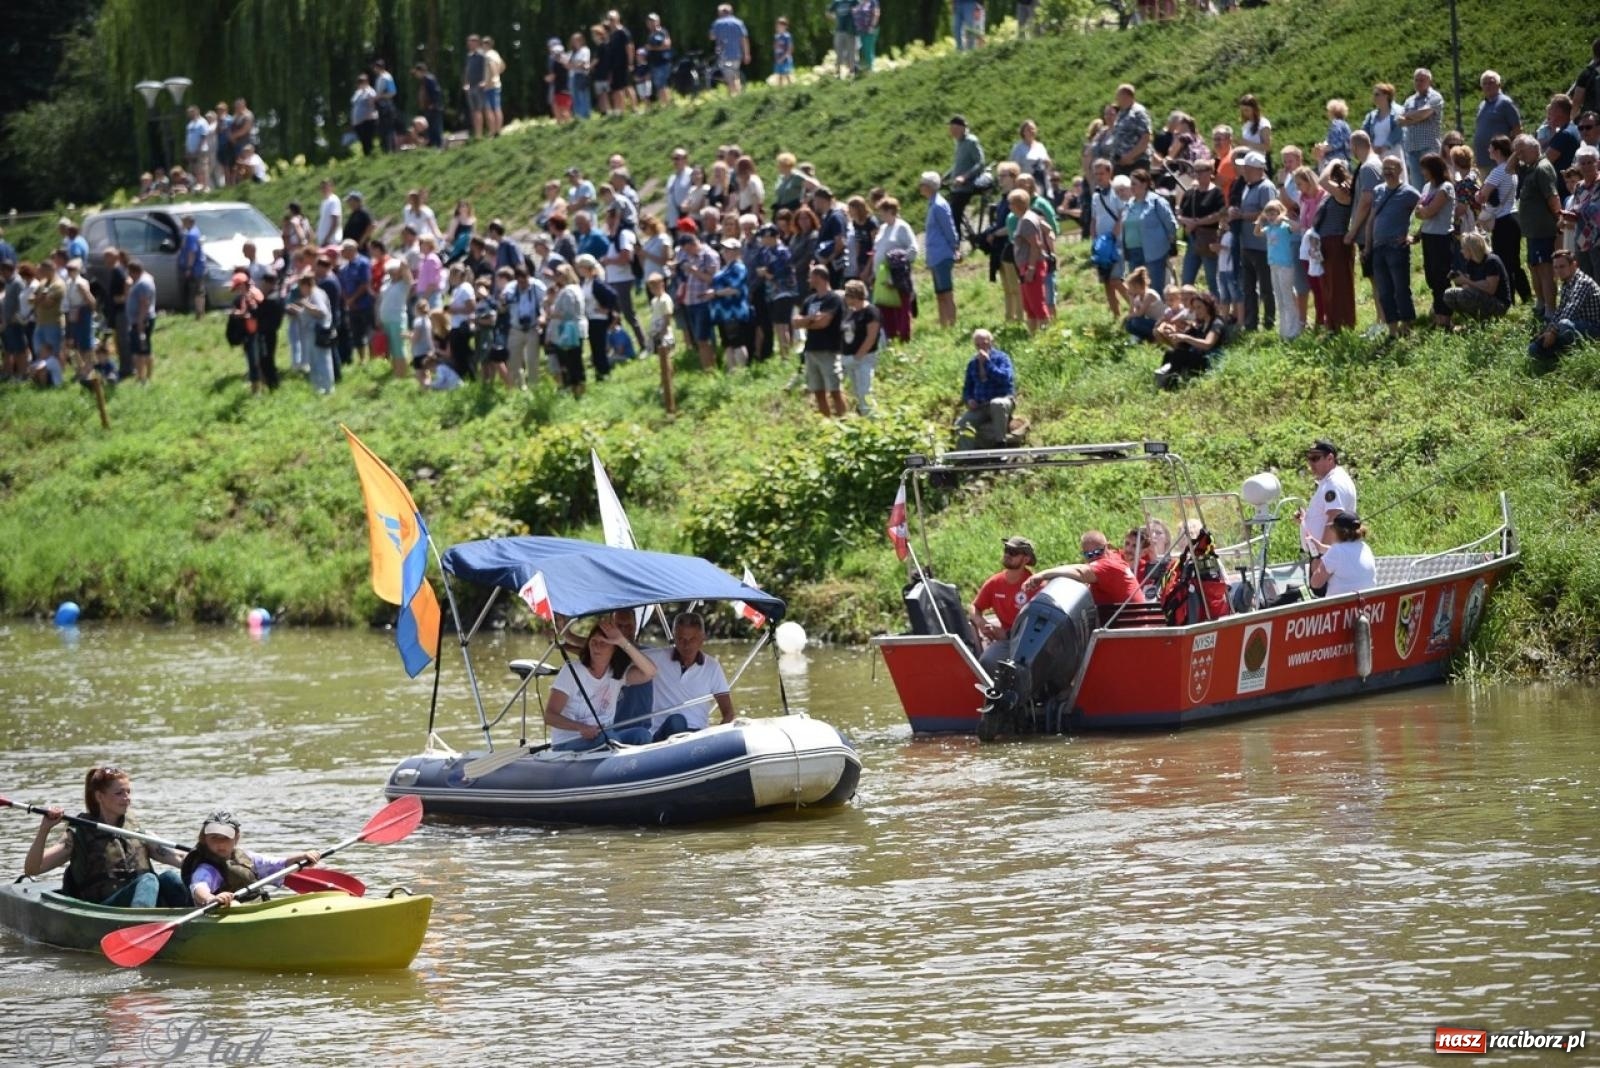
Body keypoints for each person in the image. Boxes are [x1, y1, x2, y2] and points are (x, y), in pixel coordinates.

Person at [23, 766, 188, 908]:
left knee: (169, 877)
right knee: (149, 880)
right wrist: (44, 829)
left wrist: (208, 864)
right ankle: (137, 926)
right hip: (105, 909)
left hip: (142, 902)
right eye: (119, 793)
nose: (127, 798)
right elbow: (33, 869)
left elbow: (180, 859)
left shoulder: (137, 832)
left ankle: (198, 917)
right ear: (99, 796)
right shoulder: (79, 835)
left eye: (128, 792)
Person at [544, 619, 658, 751]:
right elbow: (549, 716)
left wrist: (622, 641)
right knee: (609, 737)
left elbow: (651, 672)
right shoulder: (572, 670)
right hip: (569, 742)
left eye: (603, 643)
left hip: (607, 736)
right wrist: (580, 727)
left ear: (614, 649)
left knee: (642, 735)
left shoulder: (617, 673)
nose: (597, 647)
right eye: (594, 642)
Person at [181, 811, 321, 908]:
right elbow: (199, 887)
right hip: (224, 912)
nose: (220, 844)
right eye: (214, 838)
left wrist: (303, 856)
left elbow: (278, 864)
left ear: (236, 838)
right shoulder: (207, 868)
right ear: (204, 839)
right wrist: (211, 899)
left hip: (255, 909)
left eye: (225, 838)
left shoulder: (246, 857)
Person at [638, 612, 735, 742]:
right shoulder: (656, 657)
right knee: (676, 721)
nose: (686, 645)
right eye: (681, 639)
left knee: (679, 722)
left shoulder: (712, 667)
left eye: (692, 639)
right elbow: (625, 655)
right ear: (674, 638)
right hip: (662, 735)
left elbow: (728, 712)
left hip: (697, 735)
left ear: (702, 638)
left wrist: (716, 740)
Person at [1296, 439, 1357, 595]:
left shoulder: (1333, 483)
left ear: (1330, 458)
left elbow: (1334, 519)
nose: (1311, 463)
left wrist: (1320, 557)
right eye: (1309, 458)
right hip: (1328, 553)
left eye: (1316, 458)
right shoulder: (1330, 481)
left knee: (1323, 597)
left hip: (1327, 555)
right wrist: (1305, 521)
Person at [1024, 531, 1145, 610]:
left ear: (1107, 547)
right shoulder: (1112, 557)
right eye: (1089, 554)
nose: (1094, 557)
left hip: (1131, 628)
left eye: (1098, 552)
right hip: (1121, 622)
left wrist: (1042, 574)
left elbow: (1080, 571)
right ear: (1083, 553)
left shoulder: (1108, 565)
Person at [970, 536, 1037, 673]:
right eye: (1006, 550)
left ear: (1026, 559)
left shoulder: (1035, 585)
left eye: (1013, 552)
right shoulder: (995, 583)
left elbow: (1038, 624)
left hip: (1030, 643)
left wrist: (1007, 635)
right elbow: (974, 607)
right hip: (1005, 643)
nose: (1007, 554)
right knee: (987, 662)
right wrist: (981, 623)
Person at [1515, 133, 1563, 315]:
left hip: (1544, 230)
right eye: (1517, 152)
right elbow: (1508, 169)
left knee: (1545, 270)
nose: (1520, 156)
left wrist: (1559, 222)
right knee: (1534, 268)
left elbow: (1553, 198)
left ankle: (1550, 309)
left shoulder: (1542, 168)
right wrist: (1517, 152)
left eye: (1522, 151)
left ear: (1535, 149)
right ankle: (1541, 303)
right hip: (1532, 232)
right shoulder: (1529, 167)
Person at [1232, 152, 1277, 332]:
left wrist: (1242, 215)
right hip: (1247, 244)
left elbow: (1269, 213)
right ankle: (1251, 323)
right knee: (1249, 287)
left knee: (1266, 286)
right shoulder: (1248, 187)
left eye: (1246, 167)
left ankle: (1269, 321)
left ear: (1254, 169)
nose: (1243, 169)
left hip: (1262, 245)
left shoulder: (1266, 187)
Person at [796, 264, 847, 417]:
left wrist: (807, 322)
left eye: (810, 276)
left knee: (835, 390)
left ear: (818, 277)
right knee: (818, 391)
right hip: (811, 349)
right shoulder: (809, 300)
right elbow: (795, 322)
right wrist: (812, 319)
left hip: (829, 350)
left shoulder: (833, 299)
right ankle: (827, 423)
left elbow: (824, 322)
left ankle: (844, 420)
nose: (808, 280)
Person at [1529, 249, 1600, 358]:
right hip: (1576, 326)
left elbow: (1571, 309)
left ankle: (1567, 351)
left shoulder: (1583, 282)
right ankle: (1561, 353)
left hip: (1594, 328)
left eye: (1562, 266)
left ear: (1574, 265)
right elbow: (1560, 311)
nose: (1558, 271)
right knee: (1533, 348)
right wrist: (1547, 330)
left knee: (1564, 325)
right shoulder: (1567, 283)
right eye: (1555, 267)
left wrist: (1552, 332)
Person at [1414, 153, 1457, 327]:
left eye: (1424, 168)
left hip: (1442, 238)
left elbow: (1430, 211)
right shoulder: (1426, 187)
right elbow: (1418, 212)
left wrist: (1422, 210)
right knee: (1431, 277)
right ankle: (1438, 315)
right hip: (1428, 236)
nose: (1422, 171)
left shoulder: (1445, 187)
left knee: (1441, 278)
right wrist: (1422, 211)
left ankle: (1445, 318)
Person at [955, 329, 1014, 451]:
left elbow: (1004, 378)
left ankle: (1001, 446)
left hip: (1003, 400)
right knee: (962, 423)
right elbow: (967, 388)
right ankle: (965, 457)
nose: (982, 347)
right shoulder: (972, 363)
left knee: (996, 403)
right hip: (981, 405)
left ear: (991, 342)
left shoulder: (1002, 358)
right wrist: (969, 399)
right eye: (978, 345)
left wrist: (987, 363)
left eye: (985, 343)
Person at [917, 171, 960, 329]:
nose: (920, 187)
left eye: (922, 184)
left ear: (929, 186)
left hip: (942, 255)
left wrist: (955, 246)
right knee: (939, 294)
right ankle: (944, 325)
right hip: (935, 256)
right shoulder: (932, 204)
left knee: (947, 293)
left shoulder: (939, 205)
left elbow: (949, 228)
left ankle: (952, 324)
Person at [1255, 201, 1301, 340]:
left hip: (1285, 265)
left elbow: (1298, 227)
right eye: (1268, 213)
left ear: (1279, 212)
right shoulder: (1269, 228)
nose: (1270, 216)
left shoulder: (1284, 226)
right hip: (1273, 265)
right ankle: (1284, 330)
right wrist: (1260, 220)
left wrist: (1285, 217)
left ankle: (1294, 330)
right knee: (1279, 298)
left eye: (1273, 213)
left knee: (1287, 297)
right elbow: (1256, 233)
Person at [1444, 230, 1512, 324]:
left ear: (1471, 250)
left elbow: (1490, 289)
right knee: (1449, 295)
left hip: (1499, 304)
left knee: (1463, 296)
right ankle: (1475, 321)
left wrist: (1466, 281)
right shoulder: (1470, 263)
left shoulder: (1491, 261)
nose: (1461, 251)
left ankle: (1487, 321)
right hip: (1481, 298)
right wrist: (1461, 279)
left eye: (1463, 248)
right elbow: (1467, 288)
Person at [1309, 512, 1376, 598]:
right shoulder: (1365, 547)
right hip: (1366, 603)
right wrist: (1321, 548)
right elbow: (1346, 555)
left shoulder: (1336, 551)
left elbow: (1315, 584)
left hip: (1340, 607)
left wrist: (1316, 556)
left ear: (1339, 532)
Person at [840, 278, 881, 415]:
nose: (845, 297)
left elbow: (871, 336)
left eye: (847, 294)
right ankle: (863, 419)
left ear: (854, 295)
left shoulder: (870, 311)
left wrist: (858, 357)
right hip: (849, 358)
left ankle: (873, 419)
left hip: (864, 358)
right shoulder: (850, 312)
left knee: (865, 391)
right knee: (856, 392)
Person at [943, 115, 987, 238]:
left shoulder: (971, 141)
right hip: (956, 186)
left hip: (966, 186)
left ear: (962, 128)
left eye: (954, 129)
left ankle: (956, 244)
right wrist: (944, 177)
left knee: (954, 214)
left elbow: (980, 163)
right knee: (950, 211)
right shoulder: (958, 143)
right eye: (951, 129)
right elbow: (958, 165)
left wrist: (964, 177)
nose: (951, 132)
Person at [1399, 69, 1445, 186]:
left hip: (1428, 147)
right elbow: (1400, 121)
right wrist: (1417, 116)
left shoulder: (1435, 97)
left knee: (1432, 182)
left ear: (1429, 81)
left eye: (1422, 80)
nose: (1419, 83)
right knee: (1417, 185)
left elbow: (1424, 113)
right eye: (1416, 80)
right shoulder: (1409, 100)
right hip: (1412, 148)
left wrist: (1410, 116)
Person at [1473, 70, 1522, 172]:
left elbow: (1517, 130)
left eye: (1491, 82)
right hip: (1483, 160)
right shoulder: (1482, 105)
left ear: (1499, 85)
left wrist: (1514, 155)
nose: (1487, 86)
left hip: (1500, 161)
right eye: (1484, 84)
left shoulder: (1505, 103)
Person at [126, 259, 157, 384]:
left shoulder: (142, 284)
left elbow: (144, 303)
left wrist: (140, 322)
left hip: (142, 322)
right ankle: (143, 377)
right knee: (142, 350)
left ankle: (144, 378)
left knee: (141, 351)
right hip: (140, 320)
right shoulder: (145, 278)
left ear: (134, 272)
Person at [710, 5, 750, 96]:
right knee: (736, 75)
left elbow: (712, 36)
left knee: (729, 77)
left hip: (724, 55)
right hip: (737, 54)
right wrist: (747, 54)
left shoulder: (717, 23)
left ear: (721, 13)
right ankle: (737, 96)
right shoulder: (738, 23)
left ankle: (734, 98)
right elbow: (744, 39)